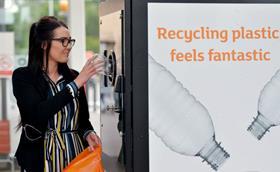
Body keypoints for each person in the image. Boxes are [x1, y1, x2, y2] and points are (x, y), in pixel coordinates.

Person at [12, 16, 103, 172]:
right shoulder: (23, 77)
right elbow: (37, 113)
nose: (68, 46)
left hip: (75, 159)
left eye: (70, 41)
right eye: (63, 41)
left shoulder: (73, 77)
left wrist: (88, 132)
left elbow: (82, 120)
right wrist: (76, 84)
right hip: (40, 161)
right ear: (44, 44)